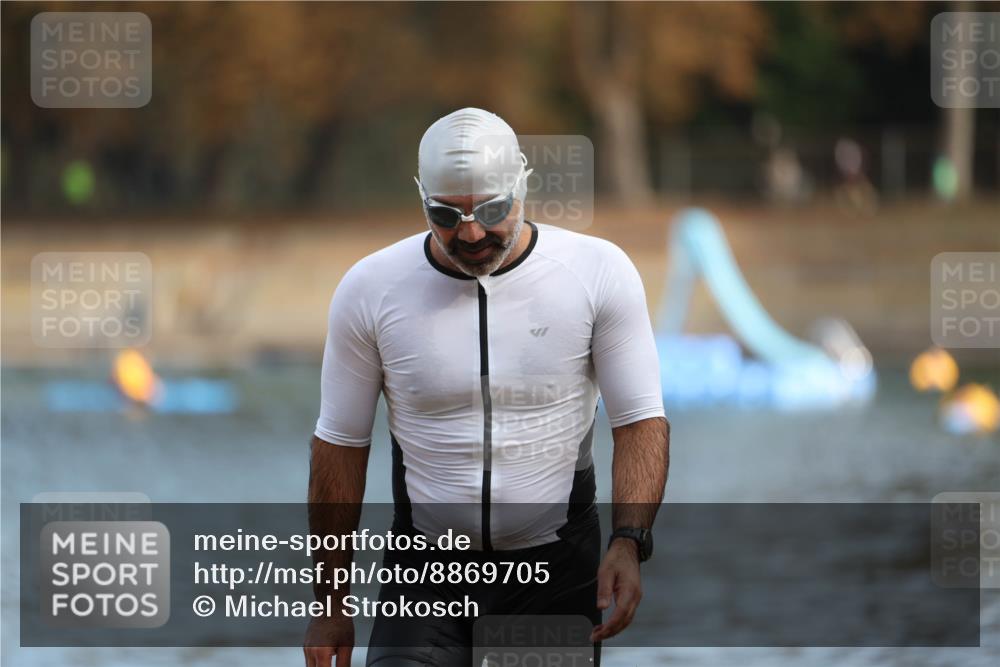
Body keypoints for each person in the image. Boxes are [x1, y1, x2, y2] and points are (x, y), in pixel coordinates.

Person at [303, 107, 670, 667]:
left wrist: (630, 540)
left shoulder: (598, 273)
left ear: (522, 188)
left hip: (553, 574)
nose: (471, 233)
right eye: (445, 214)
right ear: (421, 198)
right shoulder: (371, 288)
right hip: (426, 574)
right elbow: (340, 448)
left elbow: (640, 421)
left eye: (493, 210)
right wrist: (331, 599)